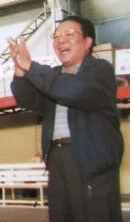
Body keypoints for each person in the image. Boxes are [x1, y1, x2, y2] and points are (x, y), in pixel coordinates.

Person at [9, 16, 123, 222]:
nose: (61, 40)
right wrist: (19, 70)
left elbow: (73, 91)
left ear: (88, 42)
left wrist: (31, 66)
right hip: (57, 158)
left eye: (69, 34)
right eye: (57, 36)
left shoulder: (100, 70)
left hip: (90, 161)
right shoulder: (52, 76)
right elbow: (29, 100)